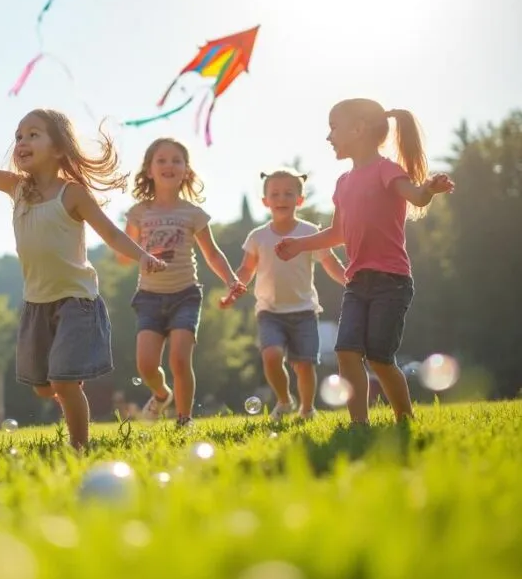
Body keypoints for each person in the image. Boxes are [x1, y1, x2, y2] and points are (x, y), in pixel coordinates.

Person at [0, 97, 165, 449]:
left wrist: (142, 256)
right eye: (18, 136)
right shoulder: (18, 189)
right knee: (45, 387)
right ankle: (68, 384)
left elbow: (112, 234)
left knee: (63, 381)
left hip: (76, 301)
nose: (22, 142)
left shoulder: (72, 194)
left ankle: (79, 446)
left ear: (58, 148)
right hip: (36, 303)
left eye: (33, 134)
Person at [275, 100, 454, 423]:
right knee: (346, 352)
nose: (328, 137)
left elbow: (416, 196)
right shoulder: (343, 183)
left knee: (380, 359)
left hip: (391, 282)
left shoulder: (386, 169)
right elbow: (337, 233)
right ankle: (359, 425)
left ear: (358, 129)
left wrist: (428, 189)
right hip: (356, 282)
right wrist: (299, 245)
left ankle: (405, 419)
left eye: (333, 128)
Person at [122, 137, 245, 427]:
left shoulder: (193, 214)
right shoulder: (139, 212)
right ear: (149, 170)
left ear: (186, 170)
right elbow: (124, 253)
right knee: (146, 365)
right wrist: (139, 255)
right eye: (161, 160)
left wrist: (231, 279)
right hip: (149, 297)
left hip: (185, 296)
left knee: (179, 359)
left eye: (176, 160)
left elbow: (212, 254)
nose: (169, 165)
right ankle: (161, 394)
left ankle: (184, 419)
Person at [223, 168, 345, 420]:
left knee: (305, 364)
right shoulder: (258, 236)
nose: (281, 199)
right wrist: (234, 288)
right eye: (275, 194)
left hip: (304, 311)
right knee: (271, 355)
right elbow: (246, 268)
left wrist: (348, 279)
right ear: (265, 201)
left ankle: (307, 408)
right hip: (269, 312)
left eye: (289, 193)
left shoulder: (309, 232)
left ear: (300, 200)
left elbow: (330, 261)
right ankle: (284, 400)